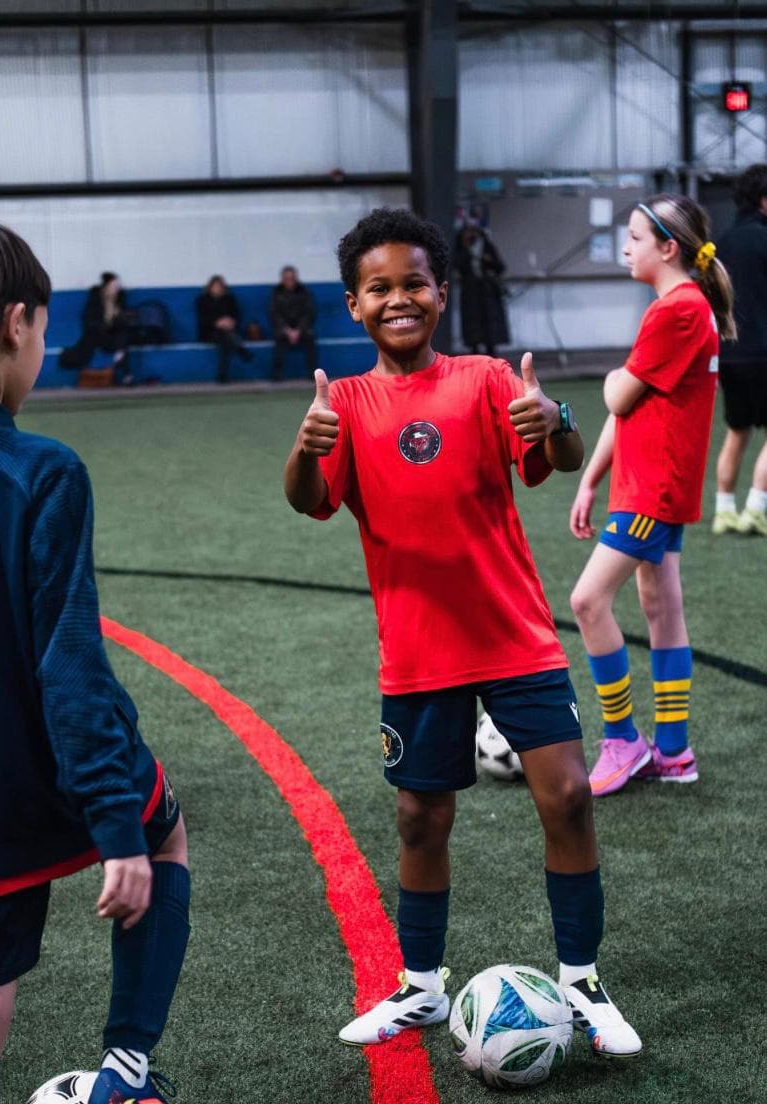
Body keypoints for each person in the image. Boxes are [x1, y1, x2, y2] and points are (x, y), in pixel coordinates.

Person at [283, 207, 641, 1058]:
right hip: (416, 650)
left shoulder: (484, 379)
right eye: (381, 288)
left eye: (414, 283)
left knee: (570, 797)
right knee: (420, 818)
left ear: (440, 293)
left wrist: (555, 420)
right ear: (353, 305)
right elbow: (309, 502)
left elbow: (555, 461)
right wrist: (303, 448)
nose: (399, 298)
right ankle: (421, 990)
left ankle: (584, 985)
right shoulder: (349, 402)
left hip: (515, 634)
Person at [0, 221, 190, 1104]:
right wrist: (115, 824)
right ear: (15, 324)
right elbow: (69, 664)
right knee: (164, 830)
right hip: (46, 778)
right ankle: (127, 1071)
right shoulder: (39, 470)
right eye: (44, 329)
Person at [569, 195, 736, 797]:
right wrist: (591, 478)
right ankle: (673, 752)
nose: (626, 246)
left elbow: (617, 396)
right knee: (662, 608)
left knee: (588, 602)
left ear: (669, 248)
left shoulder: (680, 311)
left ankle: (623, 741)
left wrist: (615, 378)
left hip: (654, 490)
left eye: (636, 237)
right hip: (648, 484)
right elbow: (633, 404)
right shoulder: (677, 308)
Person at [712, 164, 767, 536]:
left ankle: (723, 510)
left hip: (728, 353)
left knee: (737, 430)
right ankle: (756, 509)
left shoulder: (722, 243)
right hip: (764, 353)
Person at [59, 271, 133, 384]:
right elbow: (89, 320)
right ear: (106, 286)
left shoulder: (120, 299)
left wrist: (117, 319)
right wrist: (104, 325)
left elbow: (123, 319)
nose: (116, 288)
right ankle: (120, 362)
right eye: (113, 285)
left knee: (123, 334)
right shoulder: (96, 299)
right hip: (99, 334)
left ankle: (123, 366)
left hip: (114, 335)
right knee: (92, 336)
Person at [453, 219, 509, 356]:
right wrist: (465, 248)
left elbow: (500, 267)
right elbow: (457, 266)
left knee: (490, 325)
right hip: (470, 293)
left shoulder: (486, 246)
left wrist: (487, 260)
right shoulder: (461, 247)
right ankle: (475, 352)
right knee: (473, 326)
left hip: (487, 291)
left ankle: (492, 352)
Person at [195, 274, 253, 384]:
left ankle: (222, 375)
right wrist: (217, 323)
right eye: (215, 286)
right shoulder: (202, 300)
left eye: (220, 286)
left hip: (228, 331)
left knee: (226, 341)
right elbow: (203, 319)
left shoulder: (229, 299)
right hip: (209, 332)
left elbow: (236, 315)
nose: (218, 288)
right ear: (210, 287)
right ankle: (241, 350)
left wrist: (230, 322)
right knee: (226, 339)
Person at [269, 264, 318, 381]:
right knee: (278, 339)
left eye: (292, 278)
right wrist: (287, 330)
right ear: (282, 279)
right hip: (283, 330)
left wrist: (299, 330)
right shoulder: (276, 293)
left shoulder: (304, 292)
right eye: (287, 278)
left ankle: (313, 374)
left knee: (310, 338)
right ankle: (277, 375)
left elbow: (309, 313)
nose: (290, 281)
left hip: (302, 329)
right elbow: (274, 314)